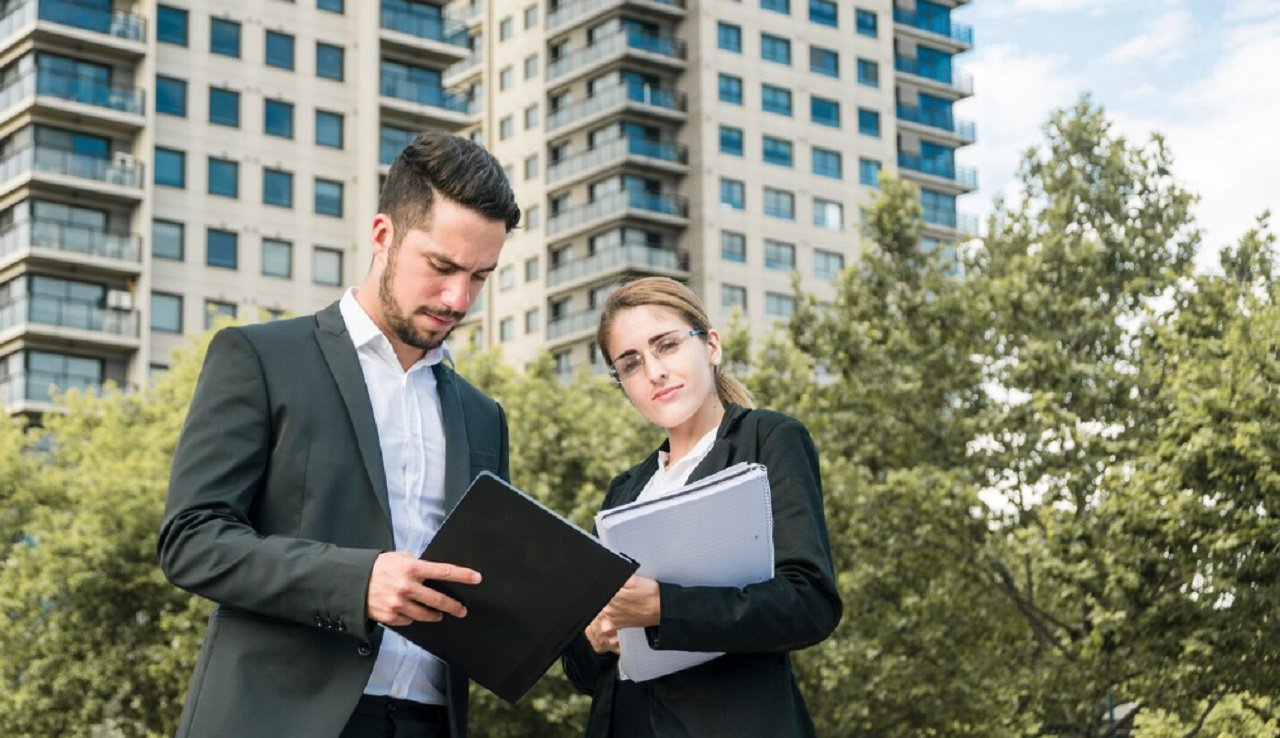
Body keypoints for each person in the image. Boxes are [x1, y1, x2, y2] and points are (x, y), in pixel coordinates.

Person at [158, 131, 521, 738]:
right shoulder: (258, 358)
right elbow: (192, 541)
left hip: (431, 721)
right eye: (441, 267)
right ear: (383, 236)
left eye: (481, 276)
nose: (459, 298)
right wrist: (358, 583)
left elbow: (486, 582)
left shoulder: (485, 416)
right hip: (279, 718)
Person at [562, 276, 842, 737]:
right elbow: (582, 673)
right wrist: (594, 639)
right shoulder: (625, 491)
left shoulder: (767, 439)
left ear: (710, 345)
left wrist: (664, 607)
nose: (653, 372)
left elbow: (809, 603)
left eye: (667, 346)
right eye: (630, 364)